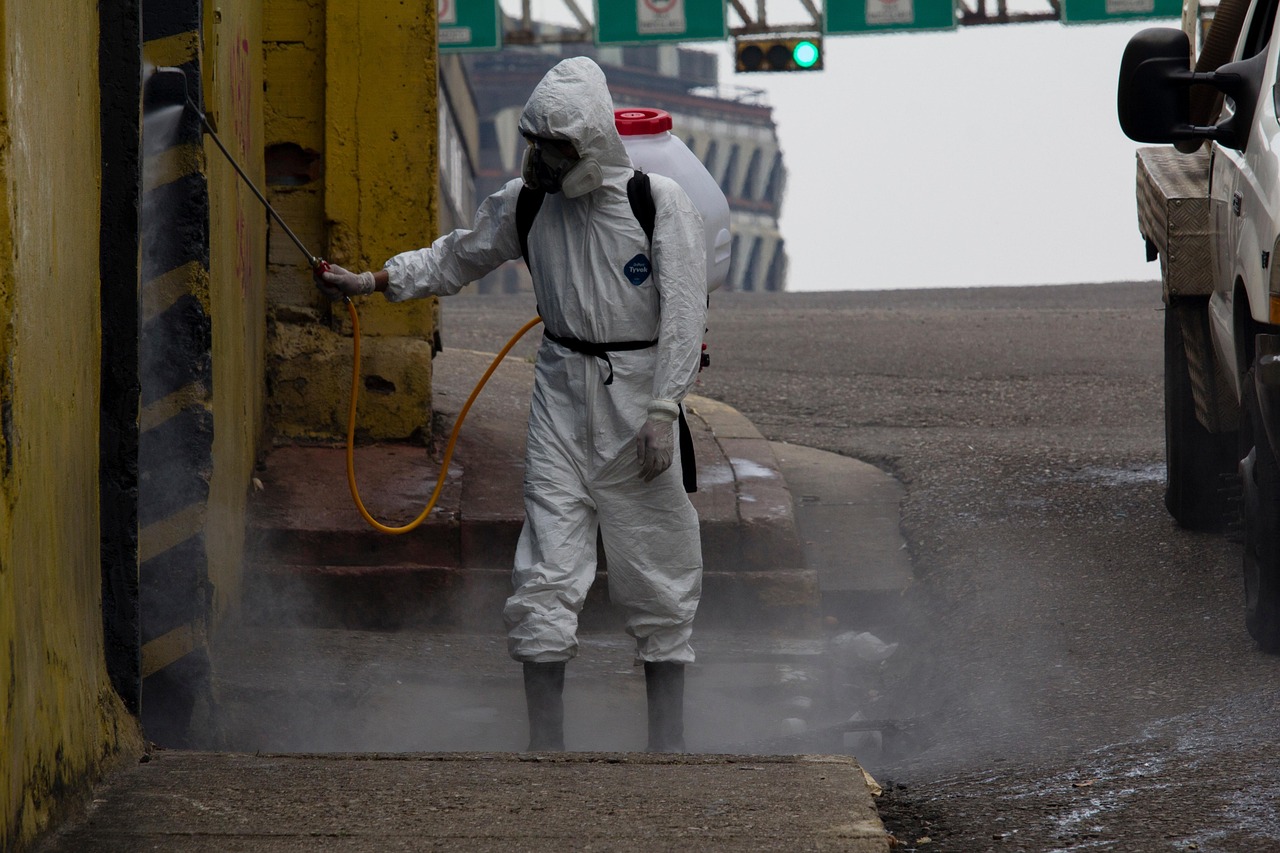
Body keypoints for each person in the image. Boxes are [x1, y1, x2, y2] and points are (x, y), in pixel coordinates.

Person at [317, 56, 708, 753]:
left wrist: (664, 410)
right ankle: (545, 749)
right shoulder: (527, 205)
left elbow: (684, 313)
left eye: (556, 147)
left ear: (591, 143)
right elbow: (457, 256)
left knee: (659, 568)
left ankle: (669, 749)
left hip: (638, 401)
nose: (542, 161)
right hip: (561, 399)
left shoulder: (657, 204)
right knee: (546, 571)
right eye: (536, 144)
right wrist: (374, 282)